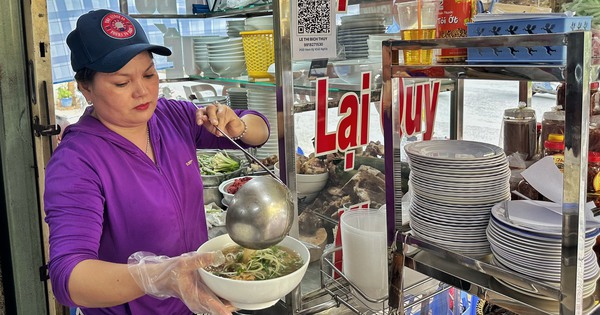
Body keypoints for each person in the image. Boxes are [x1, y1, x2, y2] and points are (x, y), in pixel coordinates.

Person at [43, 9, 270, 315]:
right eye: (122, 83)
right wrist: (159, 276)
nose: (143, 91)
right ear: (86, 88)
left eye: (149, 74)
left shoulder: (170, 116)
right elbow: (69, 278)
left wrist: (237, 125)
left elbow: (258, 131)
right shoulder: (77, 161)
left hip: (197, 300)